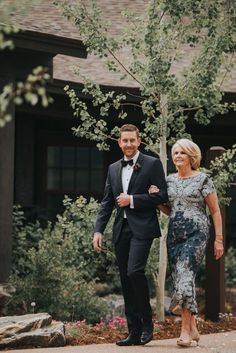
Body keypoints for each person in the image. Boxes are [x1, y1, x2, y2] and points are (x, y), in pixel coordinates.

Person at [93, 124, 168, 346]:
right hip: (121, 229)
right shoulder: (113, 168)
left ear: (139, 141)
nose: (128, 144)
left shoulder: (152, 164)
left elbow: (162, 195)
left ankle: (147, 324)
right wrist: (98, 230)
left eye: (132, 140)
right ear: (119, 142)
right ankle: (133, 332)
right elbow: (107, 202)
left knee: (135, 271)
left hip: (143, 227)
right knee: (126, 279)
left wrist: (133, 200)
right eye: (124, 141)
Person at [149, 138, 224, 347]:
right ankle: (193, 328)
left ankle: (184, 331)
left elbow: (215, 211)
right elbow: (169, 210)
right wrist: (156, 200)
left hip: (197, 234)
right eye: (175, 153)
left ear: (192, 156)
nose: (178, 156)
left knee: (185, 275)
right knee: (182, 279)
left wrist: (218, 240)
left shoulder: (202, 179)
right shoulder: (169, 180)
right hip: (174, 236)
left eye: (182, 153)